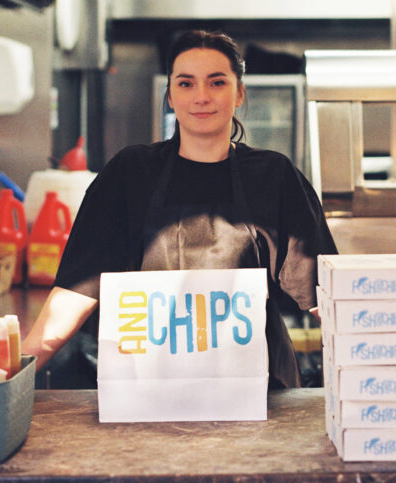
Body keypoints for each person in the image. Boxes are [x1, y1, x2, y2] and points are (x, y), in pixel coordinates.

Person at [22, 30, 337, 389]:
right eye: (186, 84)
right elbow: (78, 288)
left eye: (217, 82)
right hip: (151, 391)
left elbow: (323, 295)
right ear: (170, 96)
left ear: (239, 93)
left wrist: (376, 360)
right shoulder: (130, 173)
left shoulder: (274, 177)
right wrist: (14, 372)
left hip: (260, 393)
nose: (201, 96)